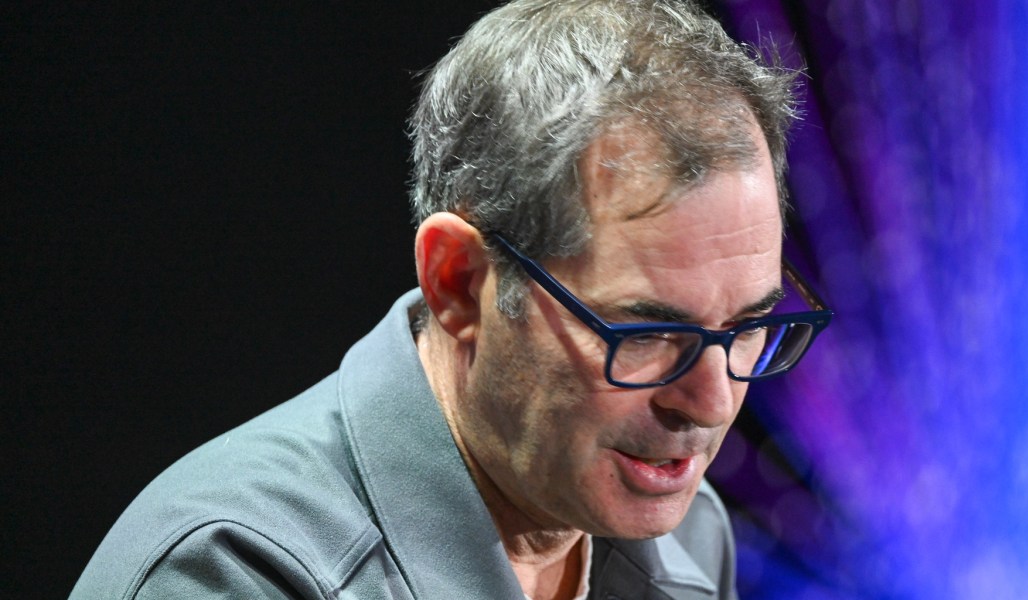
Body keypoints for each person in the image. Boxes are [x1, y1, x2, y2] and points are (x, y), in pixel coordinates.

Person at [71, 0, 831, 598]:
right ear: (459, 282)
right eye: (647, 332)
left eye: (748, 325)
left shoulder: (688, 534)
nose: (711, 403)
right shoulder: (235, 572)